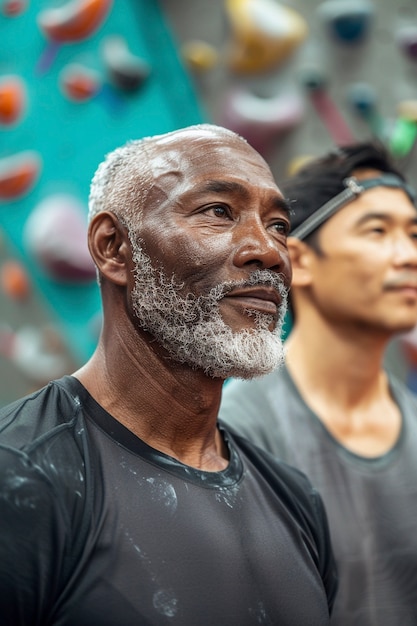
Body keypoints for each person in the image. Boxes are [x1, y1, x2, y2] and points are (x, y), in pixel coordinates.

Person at [0, 124, 337, 625]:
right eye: (218, 211)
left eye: (278, 225)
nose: (268, 250)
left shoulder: (295, 498)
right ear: (114, 248)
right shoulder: (21, 475)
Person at [219, 141, 417, 625]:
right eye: (377, 231)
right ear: (299, 262)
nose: (408, 255)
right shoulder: (236, 435)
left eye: (414, 234)